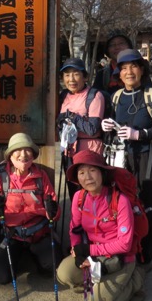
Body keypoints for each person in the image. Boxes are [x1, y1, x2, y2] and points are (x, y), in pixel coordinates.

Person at [100, 49, 152, 269]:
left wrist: (139, 134)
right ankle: (126, 251)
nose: (129, 72)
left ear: (141, 69)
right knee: (123, 207)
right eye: (123, 68)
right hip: (122, 160)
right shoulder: (117, 97)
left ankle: (145, 259)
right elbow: (113, 127)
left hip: (147, 161)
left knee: (147, 208)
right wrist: (106, 126)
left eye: (133, 66)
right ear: (118, 74)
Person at [56, 150, 146, 301]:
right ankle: (100, 286)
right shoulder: (79, 198)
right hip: (93, 257)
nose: (87, 177)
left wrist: (88, 250)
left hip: (120, 259)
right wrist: (77, 250)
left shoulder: (120, 200)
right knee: (64, 274)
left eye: (92, 170)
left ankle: (135, 280)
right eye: (81, 172)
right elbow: (75, 228)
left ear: (102, 173)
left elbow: (124, 244)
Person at [0, 133, 62, 284]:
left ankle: (36, 255)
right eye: (18, 150)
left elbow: (55, 211)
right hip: (13, 235)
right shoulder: (1, 179)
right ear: (10, 155)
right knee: (2, 277)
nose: (23, 155)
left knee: (53, 266)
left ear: (33, 155)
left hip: (39, 235)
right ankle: (20, 255)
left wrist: (52, 212)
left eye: (27, 150)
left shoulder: (41, 177)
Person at [57, 57, 105, 199]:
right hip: (69, 152)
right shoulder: (64, 95)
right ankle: (77, 220)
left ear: (85, 77)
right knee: (74, 193)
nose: (71, 79)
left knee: (91, 192)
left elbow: (92, 128)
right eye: (67, 75)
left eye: (76, 74)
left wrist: (71, 116)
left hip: (89, 152)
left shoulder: (95, 96)